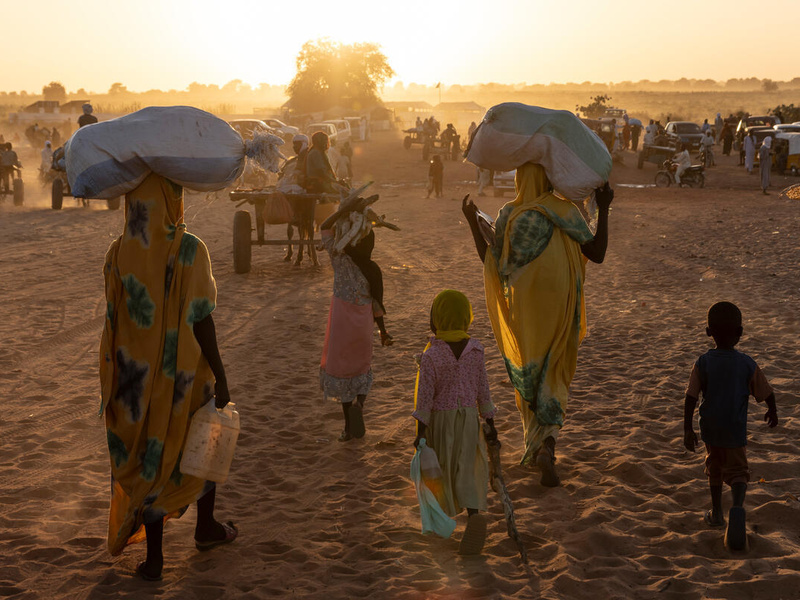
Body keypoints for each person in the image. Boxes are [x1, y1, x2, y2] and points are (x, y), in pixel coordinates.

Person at [100, 174, 236, 581]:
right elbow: (202, 318)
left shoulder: (118, 251)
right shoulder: (190, 250)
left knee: (147, 457)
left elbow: (114, 318)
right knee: (203, 441)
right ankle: (206, 528)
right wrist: (222, 374)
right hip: (184, 376)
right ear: (172, 200)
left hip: (133, 383)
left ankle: (155, 559)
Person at [462, 164, 613, 485]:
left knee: (532, 372)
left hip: (527, 312)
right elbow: (597, 252)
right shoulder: (563, 210)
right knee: (555, 370)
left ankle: (541, 443)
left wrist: (472, 222)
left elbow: (492, 261)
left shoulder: (509, 215)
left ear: (519, 180)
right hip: (559, 305)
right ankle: (548, 447)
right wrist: (604, 208)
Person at [683, 302, 777, 551]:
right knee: (738, 471)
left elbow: (691, 396)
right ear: (740, 332)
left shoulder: (702, 362)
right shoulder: (746, 363)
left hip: (710, 429)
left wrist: (687, 428)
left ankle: (716, 512)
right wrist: (772, 410)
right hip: (735, 429)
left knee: (714, 467)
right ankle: (736, 505)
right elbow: (766, 392)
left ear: (708, 332)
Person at [412, 289, 497, 555]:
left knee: (442, 473)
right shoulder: (476, 350)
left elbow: (424, 400)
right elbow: (483, 389)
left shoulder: (431, 356)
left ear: (436, 318)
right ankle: (474, 514)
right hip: (470, 421)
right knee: (468, 471)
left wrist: (420, 433)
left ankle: (442, 520)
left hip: (441, 423)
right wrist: (491, 423)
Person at [318, 197, 393, 441]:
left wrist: (345, 209)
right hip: (363, 323)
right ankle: (360, 405)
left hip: (341, 320)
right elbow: (377, 305)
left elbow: (324, 228)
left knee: (342, 371)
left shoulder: (339, 259)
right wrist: (383, 331)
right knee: (361, 369)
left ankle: (348, 428)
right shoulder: (372, 270)